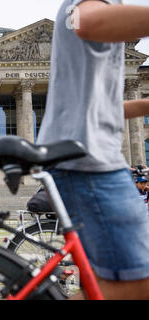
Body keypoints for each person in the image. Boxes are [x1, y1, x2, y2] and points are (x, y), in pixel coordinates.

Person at [37, 0, 149, 300]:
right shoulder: (93, 7)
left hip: (90, 160)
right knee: (135, 288)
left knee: (105, 289)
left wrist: (144, 106)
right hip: (87, 164)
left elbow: (94, 108)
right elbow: (85, 21)